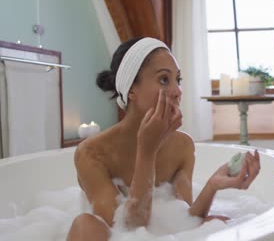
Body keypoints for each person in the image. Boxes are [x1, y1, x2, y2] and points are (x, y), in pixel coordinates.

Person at [66, 37, 261, 240]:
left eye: (178, 80)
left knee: (217, 223)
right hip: (117, 233)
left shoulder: (182, 146)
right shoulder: (92, 153)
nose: (177, 91)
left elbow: (184, 221)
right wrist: (147, 150)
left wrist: (212, 186)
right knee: (85, 226)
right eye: (164, 80)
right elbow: (128, 229)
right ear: (131, 89)